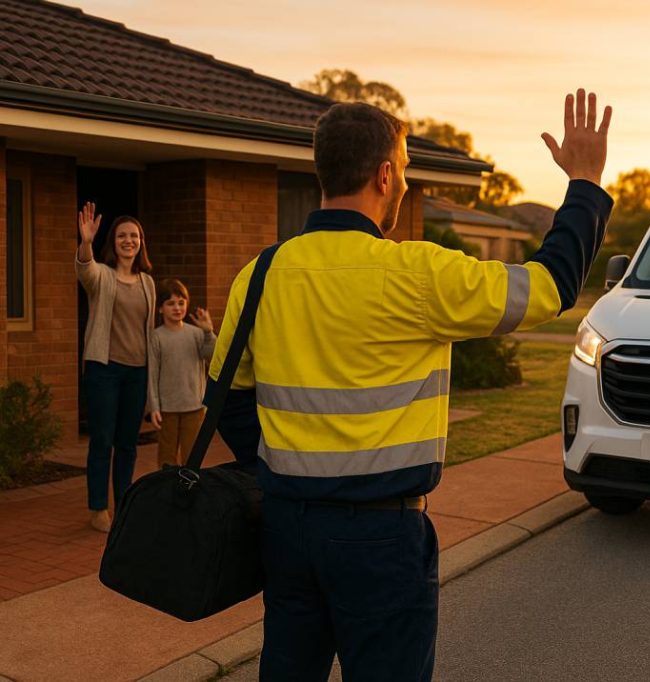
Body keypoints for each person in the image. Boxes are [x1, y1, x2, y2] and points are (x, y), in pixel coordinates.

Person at [209, 89, 614, 681]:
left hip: (287, 527)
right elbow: (550, 287)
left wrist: (287, 467)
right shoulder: (418, 273)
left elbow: (226, 399)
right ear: (383, 174)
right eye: (403, 170)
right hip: (380, 535)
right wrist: (585, 183)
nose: (402, 184)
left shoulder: (261, 274)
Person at [76, 205, 156, 533]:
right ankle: (98, 508)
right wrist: (86, 243)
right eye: (122, 235)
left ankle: (123, 503)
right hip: (104, 371)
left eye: (134, 236)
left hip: (136, 373)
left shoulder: (148, 282)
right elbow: (85, 269)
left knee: (127, 443)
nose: (128, 241)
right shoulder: (103, 276)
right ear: (114, 241)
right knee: (102, 441)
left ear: (141, 242)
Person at [148, 278, 217, 468]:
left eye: (181, 303)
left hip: (194, 407)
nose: (177, 308)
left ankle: (189, 495)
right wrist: (154, 407)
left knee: (192, 457)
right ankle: (167, 492)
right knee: (167, 458)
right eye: (170, 303)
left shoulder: (196, 334)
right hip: (167, 408)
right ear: (160, 308)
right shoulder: (156, 337)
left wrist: (208, 332)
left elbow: (213, 356)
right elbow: (152, 374)